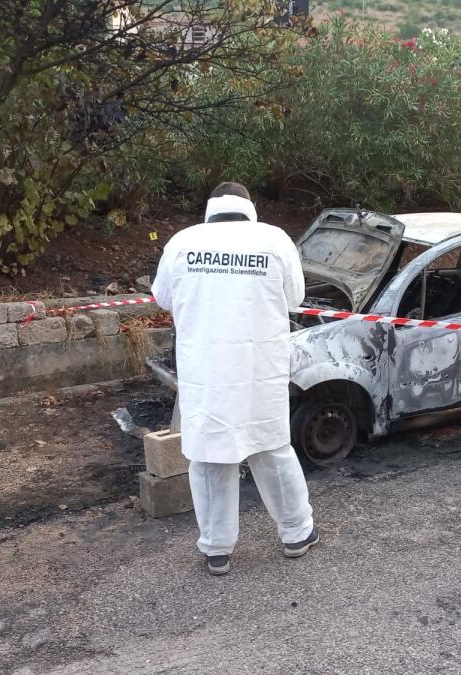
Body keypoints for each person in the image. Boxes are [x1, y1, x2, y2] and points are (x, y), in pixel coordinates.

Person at [152, 182, 318, 575]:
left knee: (210, 458)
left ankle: (216, 549)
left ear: (210, 208)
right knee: (272, 450)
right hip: (259, 368)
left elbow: (163, 298)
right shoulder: (274, 240)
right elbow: (295, 297)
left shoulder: (181, 243)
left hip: (207, 370)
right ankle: (296, 533)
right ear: (250, 208)